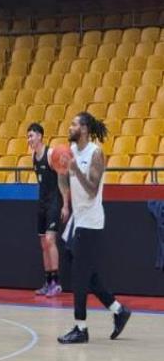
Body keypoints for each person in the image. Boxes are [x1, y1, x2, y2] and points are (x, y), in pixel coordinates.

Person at [57, 112, 131, 344]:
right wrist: (61, 172)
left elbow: (91, 190)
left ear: (85, 129)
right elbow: (64, 182)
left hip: (91, 221)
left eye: (74, 124)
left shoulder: (95, 153)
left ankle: (81, 328)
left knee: (80, 276)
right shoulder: (71, 150)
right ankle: (119, 310)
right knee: (84, 273)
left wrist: (75, 168)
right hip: (77, 219)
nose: (70, 127)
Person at [27, 123, 62, 297]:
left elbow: (62, 178)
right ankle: (47, 282)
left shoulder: (50, 154)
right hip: (42, 203)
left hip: (54, 202)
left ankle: (56, 282)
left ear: (40, 136)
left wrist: (65, 204)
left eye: (31, 136)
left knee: (50, 240)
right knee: (43, 244)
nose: (29, 139)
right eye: (28, 137)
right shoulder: (33, 156)